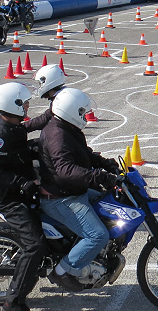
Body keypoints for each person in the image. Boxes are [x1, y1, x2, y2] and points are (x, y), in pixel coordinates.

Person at [37, 88, 120, 291]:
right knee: (98, 235)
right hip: (60, 198)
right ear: (70, 110)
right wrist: (99, 176)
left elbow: (83, 153)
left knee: (107, 199)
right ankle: (63, 271)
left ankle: (89, 253)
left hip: (72, 191)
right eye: (82, 111)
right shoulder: (58, 134)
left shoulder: (67, 128)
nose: (84, 115)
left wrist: (105, 163)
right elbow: (65, 170)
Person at [0, 82, 45, 311]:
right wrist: (22, 182)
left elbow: (21, 151)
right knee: (35, 244)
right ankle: (13, 301)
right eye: (24, 103)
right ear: (13, 105)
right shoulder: (1, 135)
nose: (27, 106)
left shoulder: (15, 127)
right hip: (9, 199)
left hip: (22, 191)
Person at [24, 64, 66, 133]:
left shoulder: (60, 100)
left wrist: (23, 127)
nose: (40, 87)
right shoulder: (62, 95)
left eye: (41, 83)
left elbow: (45, 119)